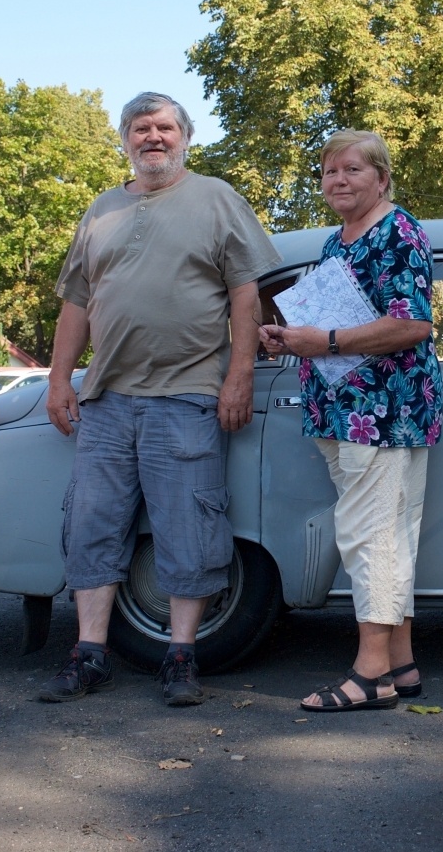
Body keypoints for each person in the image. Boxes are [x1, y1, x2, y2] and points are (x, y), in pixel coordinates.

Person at [41, 91, 280, 706]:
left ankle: (180, 657)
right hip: (106, 400)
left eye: (165, 127)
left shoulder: (217, 198)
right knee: (90, 525)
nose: (154, 137)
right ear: (125, 139)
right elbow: (76, 302)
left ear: (185, 136)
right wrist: (60, 378)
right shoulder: (101, 209)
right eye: (141, 128)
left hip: (188, 394)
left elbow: (246, 294)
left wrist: (240, 375)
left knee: (189, 528)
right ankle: (89, 654)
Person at [258, 129, 443, 712]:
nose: (337, 180)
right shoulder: (337, 240)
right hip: (345, 411)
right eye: (329, 171)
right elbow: (330, 323)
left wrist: (325, 341)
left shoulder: (399, 231)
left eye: (352, 169)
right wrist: (291, 338)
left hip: (383, 412)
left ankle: (370, 675)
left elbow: (412, 324)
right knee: (387, 536)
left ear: (381, 178)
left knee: (370, 538)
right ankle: (400, 666)